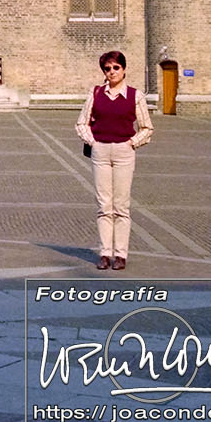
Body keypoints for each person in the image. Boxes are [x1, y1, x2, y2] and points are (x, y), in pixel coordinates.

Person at [76, 49, 153, 271]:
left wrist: (132, 143)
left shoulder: (135, 96)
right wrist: (93, 141)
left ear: (124, 69)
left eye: (116, 67)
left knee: (121, 205)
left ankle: (120, 254)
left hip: (123, 152)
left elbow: (147, 127)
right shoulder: (96, 93)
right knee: (104, 205)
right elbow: (81, 122)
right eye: (107, 68)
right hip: (100, 151)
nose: (112, 72)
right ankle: (104, 253)